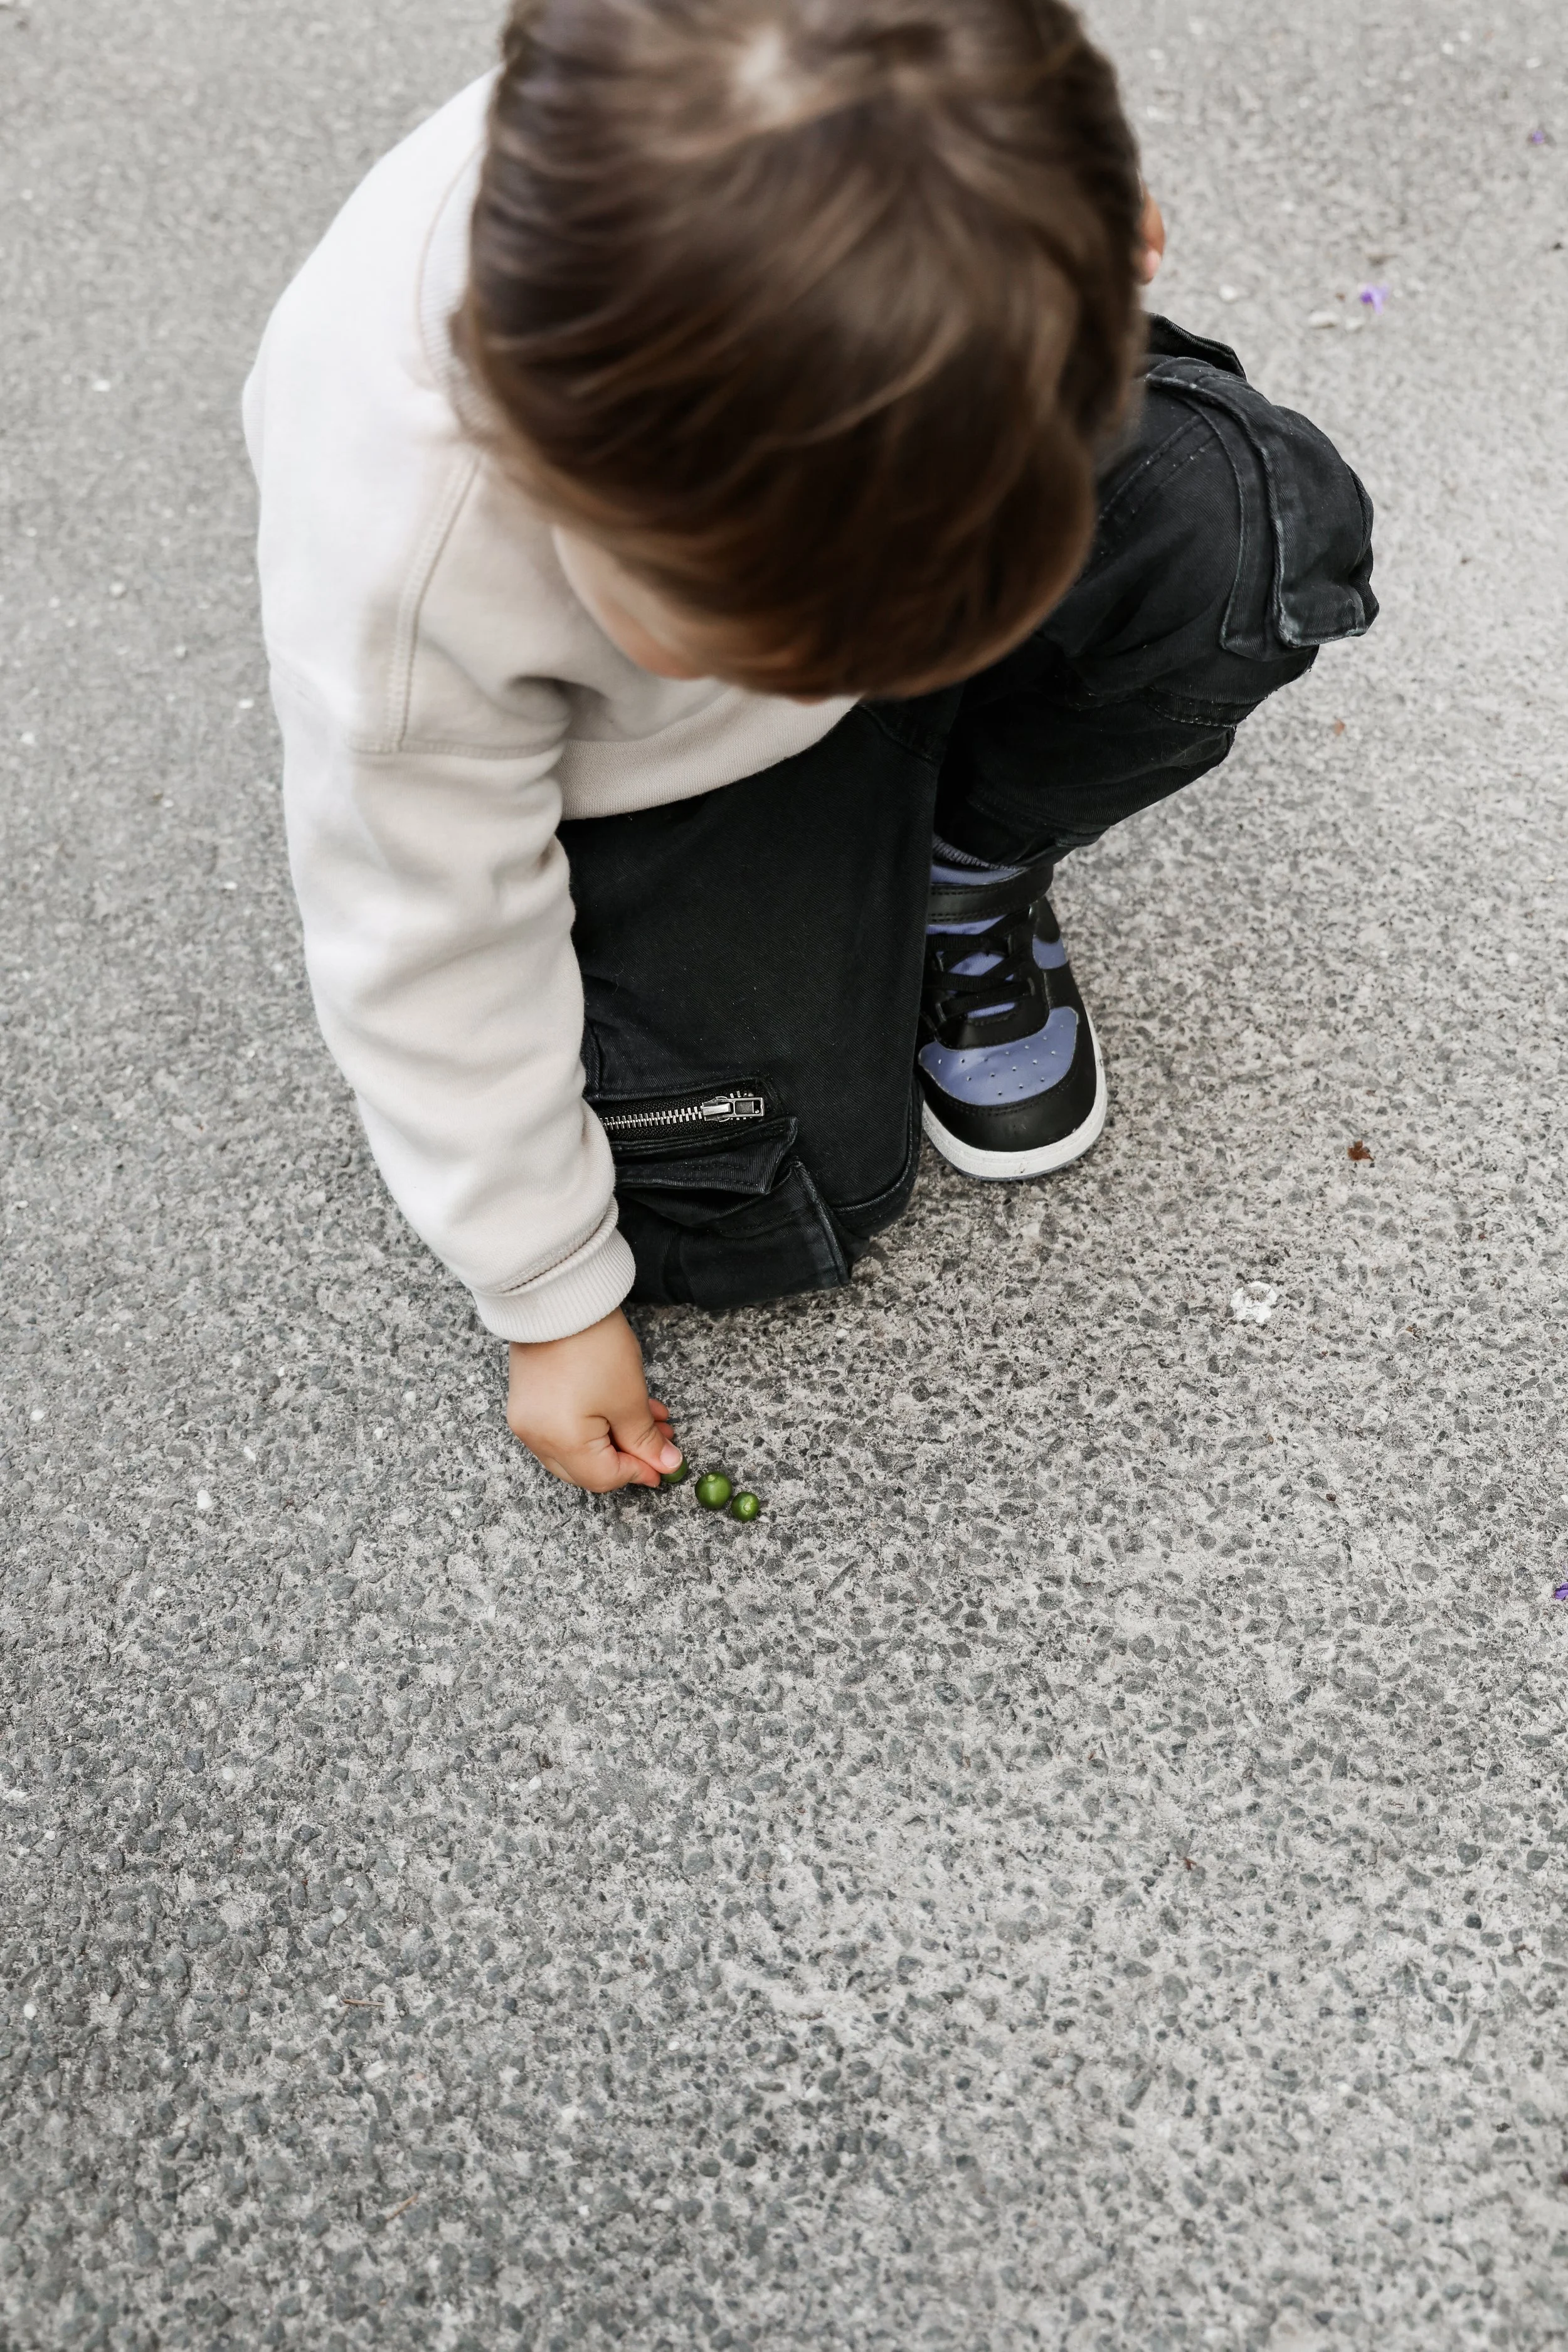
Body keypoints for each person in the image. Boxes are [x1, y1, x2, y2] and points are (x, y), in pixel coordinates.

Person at [245, 0, 1376, 1495]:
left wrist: (1070, 202)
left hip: (898, 398)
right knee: (769, 1205)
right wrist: (547, 1293)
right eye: (757, 631)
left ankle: (964, 862)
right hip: (649, 787)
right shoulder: (410, 563)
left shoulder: (932, 167)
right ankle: (869, 856)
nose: (881, 674)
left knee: (1244, 532)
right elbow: (423, 933)